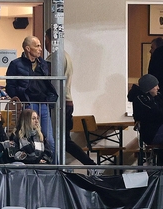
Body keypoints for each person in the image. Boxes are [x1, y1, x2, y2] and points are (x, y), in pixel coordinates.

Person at [44, 29, 95, 165]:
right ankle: (89, 164)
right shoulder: (66, 55)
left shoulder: (54, 58)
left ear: (49, 40)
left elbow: (46, 80)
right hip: (67, 101)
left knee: (59, 140)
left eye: (45, 40)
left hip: (60, 103)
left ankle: (89, 164)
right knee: (64, 140)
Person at [5, 35, 57, 156]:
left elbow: (48, 83)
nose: (40, 48)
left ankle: (54, 167)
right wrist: (19, 99)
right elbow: (10, 86)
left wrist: (50, 98)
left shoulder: (43, 64)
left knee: (49, 139)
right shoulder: (16, 64)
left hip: (43, 104)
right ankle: (33, 162)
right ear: (28, 48)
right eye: (37, 46)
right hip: (27, 105)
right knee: (28, 137)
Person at [127, 74, 163, 145]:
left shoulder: (152, 98)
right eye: (156, 85)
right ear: (149, 88)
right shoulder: (143, 100)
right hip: (154, 133)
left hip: (160, 129)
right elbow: (162, 114)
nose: (158, 88)